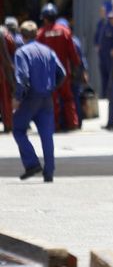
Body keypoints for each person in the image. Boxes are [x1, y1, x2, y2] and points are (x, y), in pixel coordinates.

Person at [12, 21, 66, 182]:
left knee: (18, 129)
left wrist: (18, 98)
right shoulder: (48, 51)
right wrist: (51, 87)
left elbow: (22, 78)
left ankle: (32, 163)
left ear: (22, 36)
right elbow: (62, 73)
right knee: (46, 135)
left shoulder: (22, 52)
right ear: (36, 34)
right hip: (47, 97)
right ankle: (49, 172)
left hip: (31, 97)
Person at [37, 3, 81, 132]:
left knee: (52, 100)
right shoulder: (65, 31)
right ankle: (72, 123)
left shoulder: (41, 34)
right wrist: (77, 67)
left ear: (44, 18)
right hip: (64, 73)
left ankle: (54, 126)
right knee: (68, 98)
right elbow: (73, 53)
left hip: (48, 74)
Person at [56, 17, 89, 129]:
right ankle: (76, 122)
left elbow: (79, 58)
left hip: (70, 75)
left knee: (70, 98)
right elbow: (81, 58)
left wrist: (83, 71)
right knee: (73, 98)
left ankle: (69, 122)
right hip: (73, 74)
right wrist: (84, 71)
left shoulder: (72, 40)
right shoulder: (74, 40)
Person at [94, 1, 113, 99]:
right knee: (103, 75)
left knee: (111, 75)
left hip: (109, 55)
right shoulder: (100, 23)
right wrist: (97, 45)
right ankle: (104, 94)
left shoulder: (112, 24)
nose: (101, 12)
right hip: (102, 55)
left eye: (103, 10)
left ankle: (110, 95)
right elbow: (96, 37)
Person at [0, 26, 16, 133]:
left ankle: (8, 124)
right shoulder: (4, 33)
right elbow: (12, 48)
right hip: (3, 70)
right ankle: (8, 125)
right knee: (5, 98)